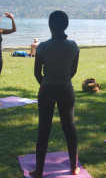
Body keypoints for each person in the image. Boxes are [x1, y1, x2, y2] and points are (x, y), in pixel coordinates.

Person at [30, 10, 80, 178]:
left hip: (46, 90)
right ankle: (74, 168)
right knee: (69, 127)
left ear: (50, 25)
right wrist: (62, 80)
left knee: (43, 129)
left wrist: (46, 83)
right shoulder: (73, 46)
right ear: (66, 25)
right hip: (66, 89)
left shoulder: (43, 47)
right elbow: (73, 71)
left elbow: (37, 73)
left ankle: (38, 170)